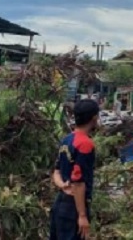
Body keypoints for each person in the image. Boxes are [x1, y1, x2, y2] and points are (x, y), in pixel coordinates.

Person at [49, 98, 100, 240]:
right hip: (74, 207)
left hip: (60, 203)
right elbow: (78, 183)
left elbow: (56, 171)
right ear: (94, 118)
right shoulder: (85, 144)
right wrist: (82, 215)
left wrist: (62, 185)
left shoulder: (66, 139)